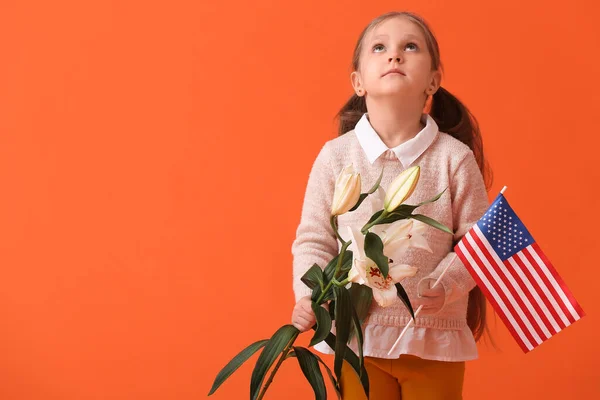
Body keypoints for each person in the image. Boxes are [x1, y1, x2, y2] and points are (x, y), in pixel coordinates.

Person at [290, 11, 494, 400]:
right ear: (358, 82)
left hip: (432, 340)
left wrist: (448, 283)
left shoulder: (454, 158)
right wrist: (310, 295)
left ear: (434, 80)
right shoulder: (335, 157)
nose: (394, 56)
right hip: (355, 339)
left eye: (410, 47)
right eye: (380, 47)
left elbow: (476, 243)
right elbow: (315, 238)